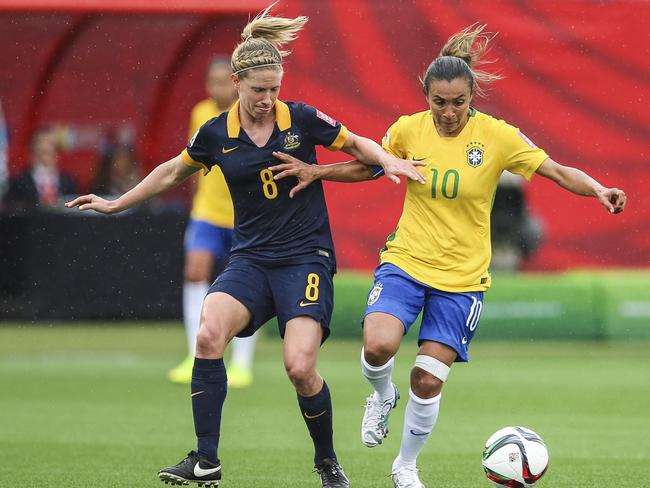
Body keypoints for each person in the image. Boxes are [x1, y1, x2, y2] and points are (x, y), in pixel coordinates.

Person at [65, 5, 424, 487]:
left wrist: (390, 162)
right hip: (251, 259)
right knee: (209, 335)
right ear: (236, 82)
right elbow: (172, 170)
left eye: (275, 88)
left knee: (299, 367)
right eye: (259, 89)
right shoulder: (216, 134)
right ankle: (206, 461)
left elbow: (359, 146)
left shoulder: (301, 120)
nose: (268, 98)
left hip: (305, 258)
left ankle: (326, 463)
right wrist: (115, 204)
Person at [271, 23, 626, 488]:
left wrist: (598, 189)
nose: (449, 112)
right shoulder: (407, 130)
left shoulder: (497, 137)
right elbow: (369, 166)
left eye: (458, 102)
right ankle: (381, 394)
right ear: (427, 96)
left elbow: (556, 170)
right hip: (407, 259)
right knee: (378, 345)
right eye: (439, 102)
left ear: (472, 95)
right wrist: (318, 170)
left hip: (462, 278)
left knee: (428, 380)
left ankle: (405, 466)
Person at [168, 57, 258, 389]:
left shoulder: (252, 113)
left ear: (235, 82)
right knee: (195, 271)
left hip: (244, 216)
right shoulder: (200, 113)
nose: (217, 88)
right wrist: (196, 204)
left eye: (224, 81)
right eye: (212, 81)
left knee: (247, 285)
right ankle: (195, 353)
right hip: (207, 212)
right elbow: (193, 163)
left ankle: (241, 363)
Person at [6, 125, 77, 210]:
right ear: (32, 150)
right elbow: (13, 210)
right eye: (41, 142)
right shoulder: (19, 181)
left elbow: (74, 210)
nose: (45, 146)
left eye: (50, 143)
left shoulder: (68, 181)